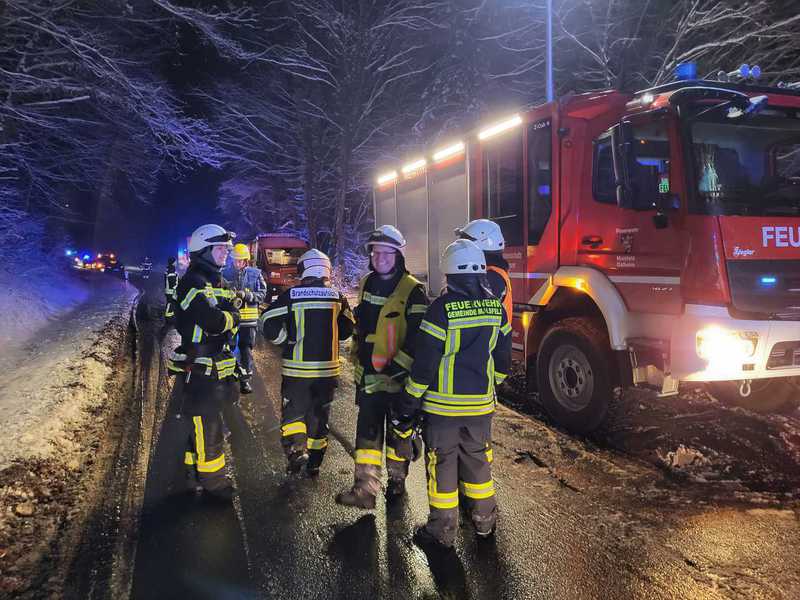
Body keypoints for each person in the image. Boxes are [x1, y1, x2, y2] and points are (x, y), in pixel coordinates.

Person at [394, 239, 512, 547]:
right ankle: (485, 522)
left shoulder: (440, 310)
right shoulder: (496, 309)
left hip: (442, 409)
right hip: (480, 408)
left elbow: (425, 365)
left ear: (449, 273)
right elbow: (502, 360)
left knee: (443, 464)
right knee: (478, 461)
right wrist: (490, 385)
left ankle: (442, 531)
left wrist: (410, 399)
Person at [335, 225, 429, 509]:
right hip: (370, 376)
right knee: (367, 434)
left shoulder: (413, 290)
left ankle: (397, 481)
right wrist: (358, 360)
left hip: (400, 378)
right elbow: (362, 328)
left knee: (398, 434)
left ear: (398, 255)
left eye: (387, 253)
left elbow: (419, 337)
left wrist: (398, 367)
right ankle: (364, 490)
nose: (380, 259)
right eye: (375, 253)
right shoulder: (366, 283)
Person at [259, 249, 354, 475]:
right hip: (327, 372)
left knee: (294, 413)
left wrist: (285, 341)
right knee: (319, 416)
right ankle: (314, 463)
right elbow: (347, 330)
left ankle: (296, 450)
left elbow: (266, 320)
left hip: (297, 371)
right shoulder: (337, 297)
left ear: (303, 269)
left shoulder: (292, 295)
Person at [167, 224, 240, 500]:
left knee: (203, 423)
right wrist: (231, 317)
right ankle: (214, 482)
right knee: (208, 425)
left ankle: (193, 474)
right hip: (199, 365)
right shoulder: (193, 282)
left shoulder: (216, 282)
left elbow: (228, 318)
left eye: (226, 249)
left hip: (213, 364)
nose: (226, 253)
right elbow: (215, 321)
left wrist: (228, 318)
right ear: (204, 251)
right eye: (220, 248)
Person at [227, 243, 268, 394]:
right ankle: (228, 375)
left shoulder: (255, 274)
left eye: (240, 261)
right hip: (230, 320)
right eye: (235, 260)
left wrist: (247, 295)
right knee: (228, 348)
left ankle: (245, 381)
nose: (237, 263)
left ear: (246, 260)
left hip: (248, 321)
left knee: (246, 350)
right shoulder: (225, 274)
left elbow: (262, 294)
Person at [455, 219, 512, 323]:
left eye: (465, 244)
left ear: (480, 244)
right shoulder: (492, 273)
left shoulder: (491, 277)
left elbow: (466, 311)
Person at [164, 256, 179, 327]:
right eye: (175, 261)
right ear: (173, 262)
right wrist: (177, 287)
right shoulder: (171, 270)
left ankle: (170, 317)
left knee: (171, 304)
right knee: (170, 303)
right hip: (171, 291)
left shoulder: (170, 269)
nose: (176, 262)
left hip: (170, 291)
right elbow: (172, 282)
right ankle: (168, 318)